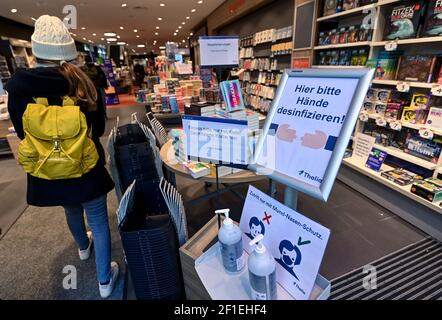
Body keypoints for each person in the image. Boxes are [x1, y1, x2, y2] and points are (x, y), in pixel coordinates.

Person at [5, 15, 118, 299]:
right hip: (86, 166)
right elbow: (99, 128)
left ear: (36, 50)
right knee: (99, 221)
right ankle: (105, 282)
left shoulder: (18, 88)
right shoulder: (82, 83)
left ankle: (82, 248)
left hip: (49, 169)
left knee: (70, 209)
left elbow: (22, 132)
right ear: (66, 51)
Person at [81, 55, 109, 119]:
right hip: (99, 86)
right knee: (102, 100)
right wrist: (105, 86)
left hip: (89, 87)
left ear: (85, 60)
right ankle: (104, 114)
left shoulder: (82, 68)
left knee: (91, 101)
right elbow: (103, 76)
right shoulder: (97, 67)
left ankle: (94, 115)